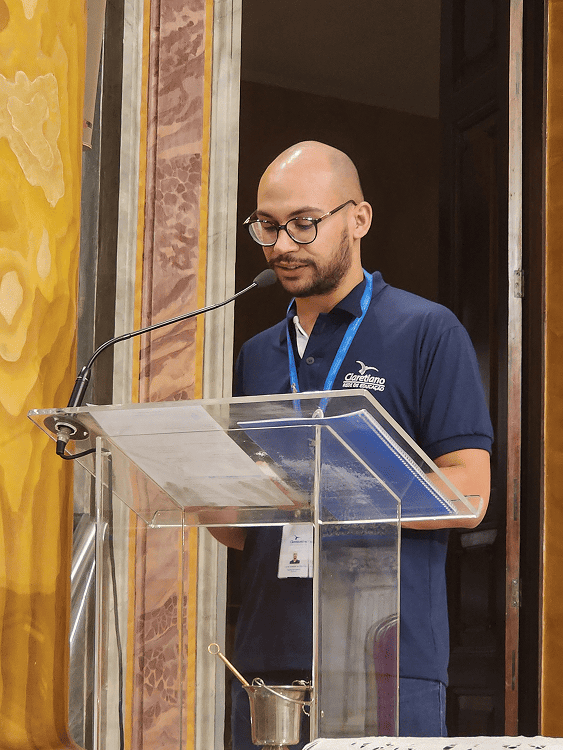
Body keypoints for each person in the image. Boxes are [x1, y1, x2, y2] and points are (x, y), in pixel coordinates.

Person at [225, 141, 493, 744]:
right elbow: (245, 528)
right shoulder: (257, 354)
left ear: (359, 219)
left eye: (304, 223)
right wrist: (194, 481)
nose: (282, 244)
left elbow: (469, 494)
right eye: (267, 225)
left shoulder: (426, 330)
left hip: (387, 659)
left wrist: (330, 489)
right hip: (267, 657)